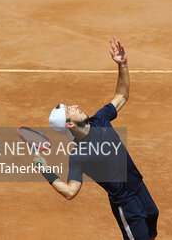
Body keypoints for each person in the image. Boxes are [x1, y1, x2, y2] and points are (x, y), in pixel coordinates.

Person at [35, 37, 158, 240]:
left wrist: (123, 65)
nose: (75, 105)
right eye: (69, 109)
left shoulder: (99, 119)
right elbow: (70, 191)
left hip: (141, 190)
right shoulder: (78, 155)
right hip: (126, 206)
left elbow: (121, 96)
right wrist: (45, 170)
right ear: (69, 124)